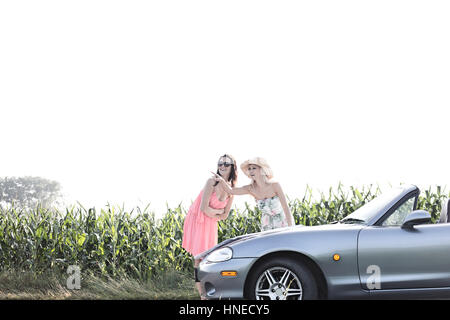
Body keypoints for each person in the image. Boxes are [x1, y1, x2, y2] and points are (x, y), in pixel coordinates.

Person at [182, 154, 237, 299]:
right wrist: (219, 212)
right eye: (220, 163)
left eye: (226, 164)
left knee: (210, 257)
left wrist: (217, 213)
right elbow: (203, 209)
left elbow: (225, 216)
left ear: (232, 167)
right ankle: (202, 295)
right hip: (199, 221)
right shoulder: (211, 182)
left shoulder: (231, 190)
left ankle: (211, 290)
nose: (222, 166)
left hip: (211, 224)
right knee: (199, 258)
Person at [213, 157, 294, 231]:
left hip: (283, 224)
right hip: (266, 226)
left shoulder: (275, 185)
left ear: (262, 170)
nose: (251, 171)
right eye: (249, 169)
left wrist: (291, 228)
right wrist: (221, 180)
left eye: (254, 168)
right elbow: (231, 191)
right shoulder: (250, 188)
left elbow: (286, 207)